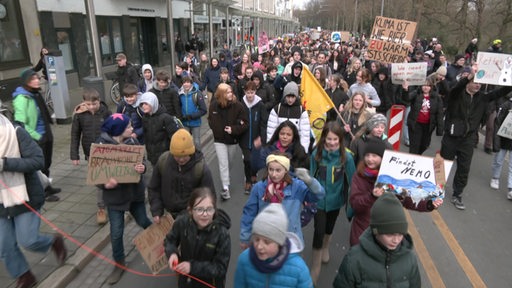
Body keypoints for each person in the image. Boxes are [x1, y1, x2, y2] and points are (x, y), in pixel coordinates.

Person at [0, 114, 67, 288]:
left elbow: (37, 161)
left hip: (25, 196)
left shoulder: (15, 132)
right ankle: (24, 275)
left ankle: (54, 242)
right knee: (4, 246)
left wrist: (5, 164)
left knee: (28, 240)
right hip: (1, 203)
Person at [349, 137, 442, 246]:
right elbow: (355, 204)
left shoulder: (393, 177)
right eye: (367, 155)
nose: (370, 159)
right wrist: (372, 196)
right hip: (364, 232)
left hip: (387, 233)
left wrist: (429, 204)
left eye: (374, 156)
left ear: (382, 158)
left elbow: (408, 200)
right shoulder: (359, 176)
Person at [441, 68, 512, 210]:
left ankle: (457, 194)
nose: (478, 85)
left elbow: (500, 92)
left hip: (468, 139)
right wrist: (468, 77)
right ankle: (437, 188)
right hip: (451, 136)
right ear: (469, 82)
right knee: (444, 164)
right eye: (475, 82)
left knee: (464, 168)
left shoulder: (482, 98)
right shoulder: (457, 95)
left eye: (480, 83)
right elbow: (456, 88)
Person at [95, 113, 152, 284]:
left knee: (143, 221)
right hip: (115, 198)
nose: (132, 129)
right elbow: (95, 175)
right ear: (118, 130)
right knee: (116, 233)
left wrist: (142, 168)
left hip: (134, 194)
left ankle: (163, 242)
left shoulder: (133, 142)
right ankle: (119, 264)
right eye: (128, 127)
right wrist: (105, 184)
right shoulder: (101, 147)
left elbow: (143, 162)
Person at [333, 193, 421, 288]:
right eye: (390, 234)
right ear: (376, 231)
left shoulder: (410, 259)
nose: (396, 240)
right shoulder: (354, 260)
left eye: (400, 234)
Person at [240, 152, 325, 248]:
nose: (273, 174)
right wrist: (245, 237)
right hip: (266, 239)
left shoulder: (296, 187)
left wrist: (310, 181)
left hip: (290, 241)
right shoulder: (259, 188)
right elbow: (249, 213)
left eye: (278, 170)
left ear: (286, 170)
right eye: (270, 169)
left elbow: (319, 195)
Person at [309, 122, 356, 285]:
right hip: (319, 200)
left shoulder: (347, 157)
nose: (332, 142)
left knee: (329, 227)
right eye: (329, 139)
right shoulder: (317, 153)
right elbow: (310, 176)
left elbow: (353, 180)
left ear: (340, 140)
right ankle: (315, 268)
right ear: (324, 138)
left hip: (336, 200)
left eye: (335, 139)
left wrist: (352, 206)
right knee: (319, 230)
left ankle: (326, 246)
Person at [165, 187, 231, 288]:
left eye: (209, 209)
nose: (205, 214)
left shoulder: (222, 234)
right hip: (186, 281)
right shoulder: (182, 222)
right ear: (191, 210)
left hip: (210, 284)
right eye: (199, 209)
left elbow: (220, 268)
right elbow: (170, 240)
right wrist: (172, 253)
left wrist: (192, 267)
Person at [234, 203, 313, 288]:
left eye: (266, 242)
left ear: (279, 242)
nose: (259, 246)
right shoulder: (244, 260)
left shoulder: (298, 269)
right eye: (257, 239)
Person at [12, 69, 61, 201]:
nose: (37, 81)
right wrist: (37, 136)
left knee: (47, 162)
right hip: (37, 136)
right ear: (26, 82)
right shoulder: (22, 98)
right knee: (40, 165)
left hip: (46, 133)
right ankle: (42, 192)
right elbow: (20, 123)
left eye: (37, 78)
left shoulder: (35, 94)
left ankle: (47, 186)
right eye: (32, 79)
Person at [149, 129, 215, 219]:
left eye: (185, 156)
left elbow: (209, 196)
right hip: (168, 217)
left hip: (191, 219)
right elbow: (154, 188)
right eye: (177, 156)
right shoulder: (163, 162)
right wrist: (156, 210)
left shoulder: (201, 169)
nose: (181, 159)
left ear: (191, 153)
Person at [70, 88, 112, 225]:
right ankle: (101, 208)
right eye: (89, 104)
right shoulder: (79, 115)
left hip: (107, 150)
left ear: (99, 101)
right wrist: (74, 155)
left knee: (110, 176)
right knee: (99, 179)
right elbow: (75, 135)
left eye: (94, 104)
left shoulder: (106, 112)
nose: (92, 107)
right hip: (90, 152)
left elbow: (114, 130)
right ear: (84, 103)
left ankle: (114, 200)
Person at [208, 83, 248, 200]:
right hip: (219, 140)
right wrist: (216, 130)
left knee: (229, 162)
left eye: (231, 92)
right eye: (227, 92)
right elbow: (210, 120)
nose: (230, 94)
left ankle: (226, 178)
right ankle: (225, 188)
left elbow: (245, 123)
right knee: (223, 163)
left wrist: (234, 130)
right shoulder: (214, 106)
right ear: (221, 94)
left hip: (232, 140)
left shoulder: (238, 106)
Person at [139, 91, 182, 166]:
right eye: (142, 104)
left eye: (146, 104)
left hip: (166, 155)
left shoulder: (165, 118)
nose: (143, 106)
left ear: (153, 103)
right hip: (153, 156)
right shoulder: (145, 118)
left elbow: (174, 136)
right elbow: (146, 136)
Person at [401, 79, 444, 155]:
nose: (425, 87)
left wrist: (440, 129)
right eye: (424, 85)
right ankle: (413, 160)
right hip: (415, 124)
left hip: (428, 126)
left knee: (425, 145)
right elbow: (406, 98)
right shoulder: (416, 94)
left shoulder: (437, 98)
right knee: (414, 146)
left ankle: (418, 156)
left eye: (428, 85)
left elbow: (440, 113)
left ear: (431, 87)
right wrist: (405, 90)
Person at [239, 81, 268, 193]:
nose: (250, 95)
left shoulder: (260, 105)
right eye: (248, 92)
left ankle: (253, 174)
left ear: (255, 92)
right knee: (246, 160)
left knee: (254, 160)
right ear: (245, 92)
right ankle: (248, 181)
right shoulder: (241, 104)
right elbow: (237, 118)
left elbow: (263, 122)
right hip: (244, 138)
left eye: (252, 92)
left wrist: (261, 137)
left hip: (256, 137)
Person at [267, 82, 311, 152]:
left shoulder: (301, 111)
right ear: (284, 96)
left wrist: (303, 150)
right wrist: (270, 147)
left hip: (295, 148)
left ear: (296, 97)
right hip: (278, 148)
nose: (290, 100)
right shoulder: (277, 109)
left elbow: (304, 133)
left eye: (292, 97)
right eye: (288, 97)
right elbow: (271, 130)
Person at [179, 76, 207, 150]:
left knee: (196, 142)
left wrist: (191, 116)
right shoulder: (179, 94)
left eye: (188, 82)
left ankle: (199, 158)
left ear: (191, 83)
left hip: (195, 123)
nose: (186, 84)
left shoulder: (197, 94)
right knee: (185, 142)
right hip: (184, 122)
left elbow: (203, 110)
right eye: (184, 82)